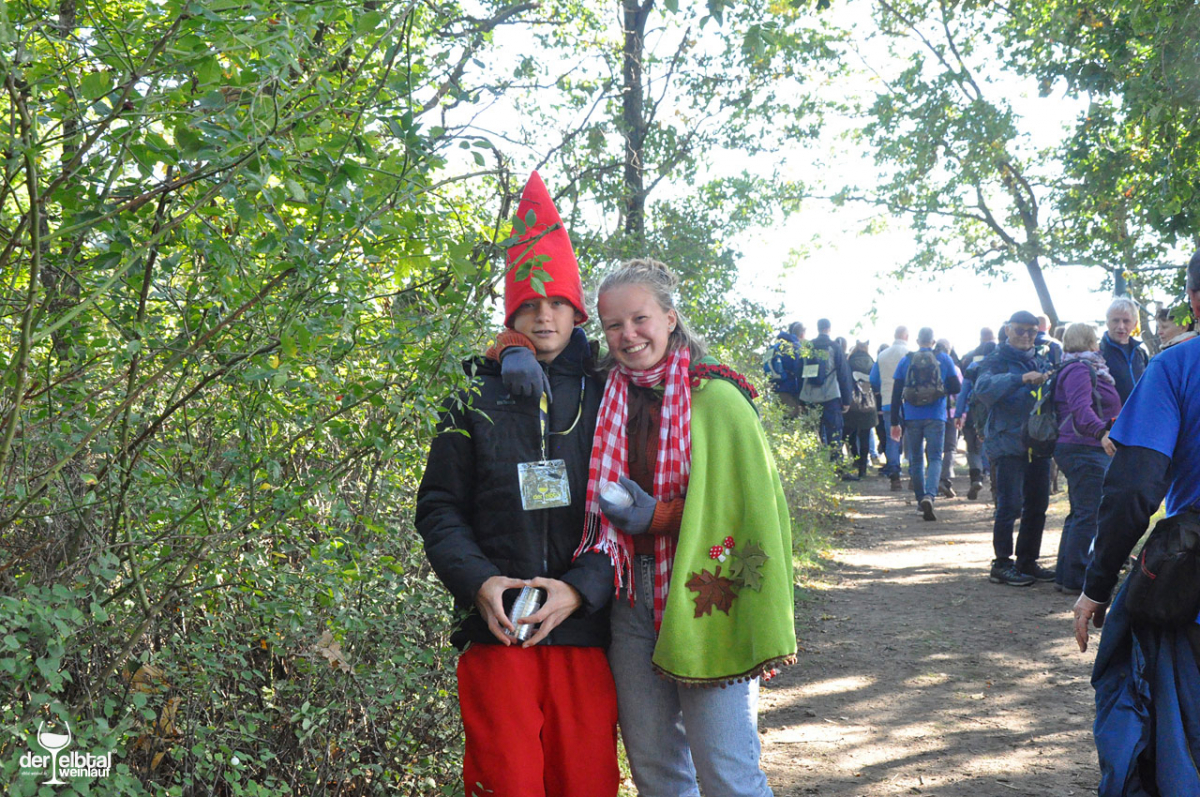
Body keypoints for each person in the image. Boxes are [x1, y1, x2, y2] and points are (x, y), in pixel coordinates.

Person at [414, 172, 618, 797]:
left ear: (578, 311)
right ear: (511, 314)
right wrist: (480, 584)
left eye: (556, 302)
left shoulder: (609, 392)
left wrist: (581, 590)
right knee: (506, 780)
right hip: (498, 628)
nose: (544, 316)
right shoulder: (471, 395)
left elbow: (630, 509)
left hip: (585, 632)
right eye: (528, 305)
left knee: (586, 781)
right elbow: (439, 507)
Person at [584, 259, 797, 797]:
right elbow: (542, 340)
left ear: (670, 318)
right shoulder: (601, 394)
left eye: (640, 319)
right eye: (613, 325)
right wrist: (512, 344)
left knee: (728, 774)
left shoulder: (717, 398)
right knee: (657, 774)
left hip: (707, 593)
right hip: (629, 600)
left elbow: (743, 508)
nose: (628, 335)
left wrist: (658, 517)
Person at [1073, 249, 1200, 796]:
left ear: (1194, 301)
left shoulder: (1175, 366)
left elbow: (1134, 488)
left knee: (1175, 752)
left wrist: (1096, 586)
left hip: (1191, 591)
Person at [974, 310, 1055, 586]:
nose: (1026, 336)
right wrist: (1020, 379)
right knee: (1009, 505)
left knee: (1038, 505)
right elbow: (983, 389)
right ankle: (1002, 564)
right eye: (1020, 330)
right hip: (1006, 442)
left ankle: (1027, 561)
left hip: (1038, 443)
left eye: (1032, 331)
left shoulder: (1041, 359)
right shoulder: (995, 359)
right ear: (1007, 330)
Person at [1051, 323, 1122, 596]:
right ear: (1091, 342)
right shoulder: (1080, 369)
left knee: (1080, 512)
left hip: (1080, 447)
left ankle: (1065, 575)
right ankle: (1077, 578)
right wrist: (1101, 433)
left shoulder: (1078, 366)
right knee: (1089, 514)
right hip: (1083, 448)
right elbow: (1081, 409)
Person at [889, 327, 961, 521]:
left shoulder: (906, 360)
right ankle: (930, 495)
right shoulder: (944, 358)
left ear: (917, 341)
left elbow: (896, 393)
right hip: (936, 415)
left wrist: (894, 421)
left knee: (916, 459)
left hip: (912, 415)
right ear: (933, 341)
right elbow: (956, 387)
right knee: (935, 458)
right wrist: (940, 391)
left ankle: (921, 500)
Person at [798, 318, 853, 457]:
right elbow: (843, 375)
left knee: (812, 435)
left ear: (818, 328)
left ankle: (814, 464)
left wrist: (801, 400)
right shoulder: (835, 347)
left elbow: (799, 373)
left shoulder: (807, 347)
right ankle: (835, 465)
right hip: (831, 396)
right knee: (834, 435)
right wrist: (847, 400)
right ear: (829, 329)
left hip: (810, 398)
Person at [956, 328, 997, 500]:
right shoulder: (999, 366)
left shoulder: (972, 366)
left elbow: (963, 392)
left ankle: (976, 478)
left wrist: (958, 414)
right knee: (993, 446)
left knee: (972, 447)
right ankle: (995, 483)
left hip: (973, 411)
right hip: (994, 411)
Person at [870, 326, 911, 491]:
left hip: (888, 401)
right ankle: (914, 474)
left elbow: (873, 378)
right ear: (906, 336)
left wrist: (883, 389)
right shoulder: (910, 354)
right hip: (909, 402)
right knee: (911, 437)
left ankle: (894, 474)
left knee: (891, 437)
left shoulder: (882, 355)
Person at [1099, 297, 1150, 403]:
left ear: (1135, 324)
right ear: (1107, 322)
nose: (1121, 326)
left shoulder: (1140, 353)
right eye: (1115, 320)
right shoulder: (1097, 354)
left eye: (1126, 321)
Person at [844, 341, 877, 481]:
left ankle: (855, 458)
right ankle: (863, 468)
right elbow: (876, 381)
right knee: (865, 435)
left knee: (849, 434)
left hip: (852, 403)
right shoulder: (871, 362)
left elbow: (845, 380)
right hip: (868, 403)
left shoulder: (849, 362)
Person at [935, 338, 962, 498]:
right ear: (949, 351)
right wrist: (961, 414)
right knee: (950, 447)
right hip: (950, 413)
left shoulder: (927, 365)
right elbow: (959, 393)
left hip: (933, 413)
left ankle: (933, 479)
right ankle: (945, 480)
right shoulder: (955, 368)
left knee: (935, 448)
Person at [764, 322, 804, 418]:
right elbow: (798, 370)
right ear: (802, 334)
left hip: (775, 388)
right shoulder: (796, 347)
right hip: (789, 389)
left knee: (779, 419)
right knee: (791, 419)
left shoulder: (776, 346)